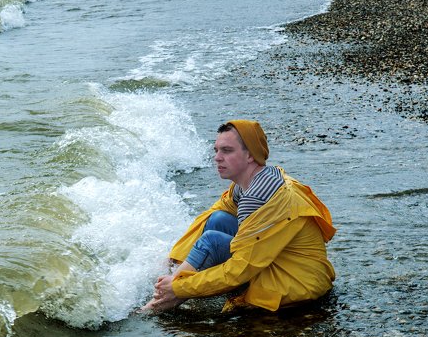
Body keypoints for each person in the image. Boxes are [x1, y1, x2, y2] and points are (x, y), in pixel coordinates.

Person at [141, 119, 336, 313]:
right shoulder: (256, 179)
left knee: (211, 241)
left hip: (297, 284)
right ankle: (171, 283)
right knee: (218, 219)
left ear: (250, 155)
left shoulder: (257, 198)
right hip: (281, 260)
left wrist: (177, 287)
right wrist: (173, 259)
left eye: (227, 151)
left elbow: (240, 268)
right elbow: (211, 215)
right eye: (216, 150)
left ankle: (161, 301)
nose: (217, 158)